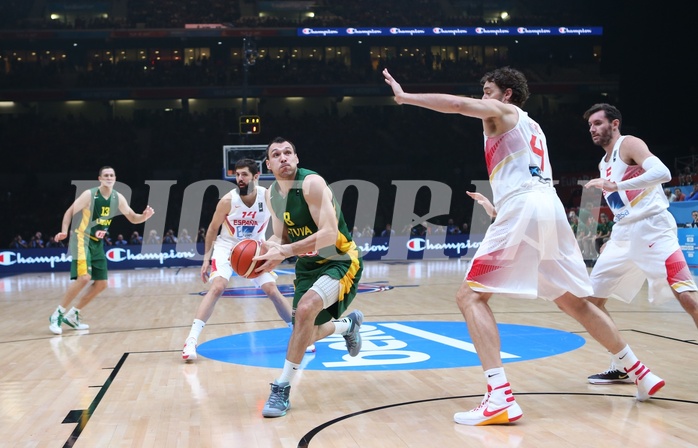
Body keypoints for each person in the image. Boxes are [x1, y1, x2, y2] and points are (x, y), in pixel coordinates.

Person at [383, 67, 664, 426]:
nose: (482, 98)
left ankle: (498, 396)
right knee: (571, 300)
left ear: (507, 94)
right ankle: (640, 371)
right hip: (547, 208)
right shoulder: (533, 126)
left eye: (487, 91)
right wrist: (497, 208)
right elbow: (526, 176)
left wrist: (406, 98)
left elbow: (455, 105)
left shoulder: (503, 112)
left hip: (526, 207)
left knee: (470, 297)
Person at [582, 103, 698, 383]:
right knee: (591, 302)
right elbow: (622, 206)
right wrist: (612, 237)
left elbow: (663, 173)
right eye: (590, 126)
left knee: (686, 296)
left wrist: (617, 186)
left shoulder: (629, 144)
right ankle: (622, 364)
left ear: (615, 124)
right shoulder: (603, 163)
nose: (593, 129)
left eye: (598, 123)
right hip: (623, 235)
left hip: (654, 230)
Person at [254, 137, 364, 418]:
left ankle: (282, 388)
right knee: (305, 331)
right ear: (269, 164)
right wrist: (268, 252)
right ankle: (347, 327)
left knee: (304, 312)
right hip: (308, 266)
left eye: (288, 152)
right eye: (276, 154)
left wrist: (286, 250)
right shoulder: (271, 194)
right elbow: (280, 235)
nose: (283, 158)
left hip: (339, 260)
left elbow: (328, 234)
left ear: (297, 158)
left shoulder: (312, 184)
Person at [182, 158, 314, 362]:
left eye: (244, 174)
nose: (240, 179)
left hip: (256, 248)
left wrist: (279, 247)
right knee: (218, 286)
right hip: (227, 247)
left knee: (272, 290)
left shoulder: (269, 197)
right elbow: (212, 228)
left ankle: (300, 336)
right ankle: (191, 340)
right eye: (237, 175)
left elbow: (283, 225)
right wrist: (206, 258)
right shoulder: (228, 200)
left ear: (256, 176)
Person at [48, 166, 155, 334]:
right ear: (99, 178)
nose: (109, 177)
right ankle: (57, 315)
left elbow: (133, 217)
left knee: (102, 284)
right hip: (81, 238)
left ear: (115, 178)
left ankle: (73, 315)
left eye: (112, 175)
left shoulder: (117, 197)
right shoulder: (89, 195)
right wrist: (63, 230)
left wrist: (144, 217)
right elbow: (69, 212)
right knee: (84, 277)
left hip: (97, 243)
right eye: (106, 175)